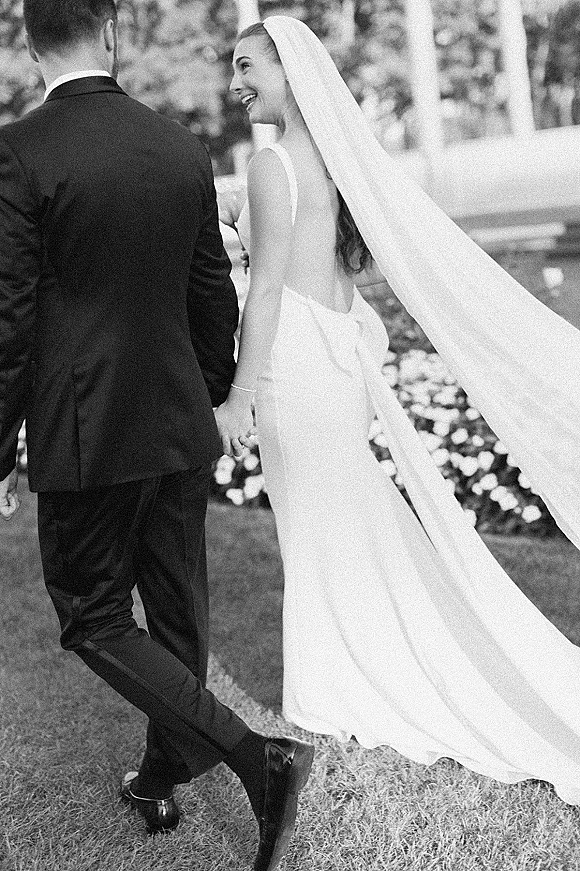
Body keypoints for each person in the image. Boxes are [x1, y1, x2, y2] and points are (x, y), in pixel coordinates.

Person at [216, 15, 580, 806]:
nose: (235, 83)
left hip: (296, 366)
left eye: (247, 66)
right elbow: (337, 276)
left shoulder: (273, 165)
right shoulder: (337, 161)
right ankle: (340, 671)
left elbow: (270, 288)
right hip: (335, 358)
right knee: (338, 519)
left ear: (289, 69)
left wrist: (239, 393)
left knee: (314, 524)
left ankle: (333, 686)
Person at [0, 3, 313, 868]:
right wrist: (218, 398)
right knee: (176, 614)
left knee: (93, 615)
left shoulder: (20, 152)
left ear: (31, 47)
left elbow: (9, 321)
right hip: (179, 417)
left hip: (86, 430)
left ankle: (260, 759)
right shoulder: (180, 145)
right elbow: (210, 289)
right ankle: (156, 781)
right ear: (109, 32)